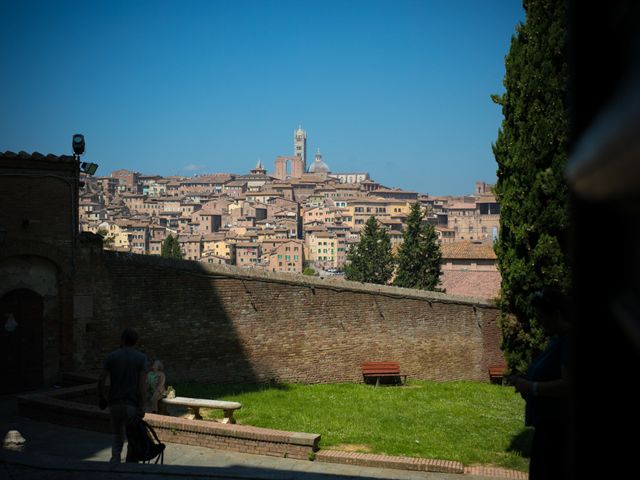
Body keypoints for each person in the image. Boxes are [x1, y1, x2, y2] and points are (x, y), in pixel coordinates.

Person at [508, 288, 571, 480]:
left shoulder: (569, 342)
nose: (540, 321)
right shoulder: (558, 340)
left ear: (556, 314)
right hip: (547, 428)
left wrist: (531, 387)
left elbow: (569, 385)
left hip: (558, 431)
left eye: (542, 316)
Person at [98, 328, 148, 463]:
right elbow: (142, 385)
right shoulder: (141, 358)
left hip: (114, 403)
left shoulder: (112, 356)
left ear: (122, 340)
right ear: (136, 341)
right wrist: (143, 404)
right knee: (133, 436)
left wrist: (102, 397)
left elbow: (101, 380)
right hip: (131, 404)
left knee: (116, 435)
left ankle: (115, 460)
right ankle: (130, 464)